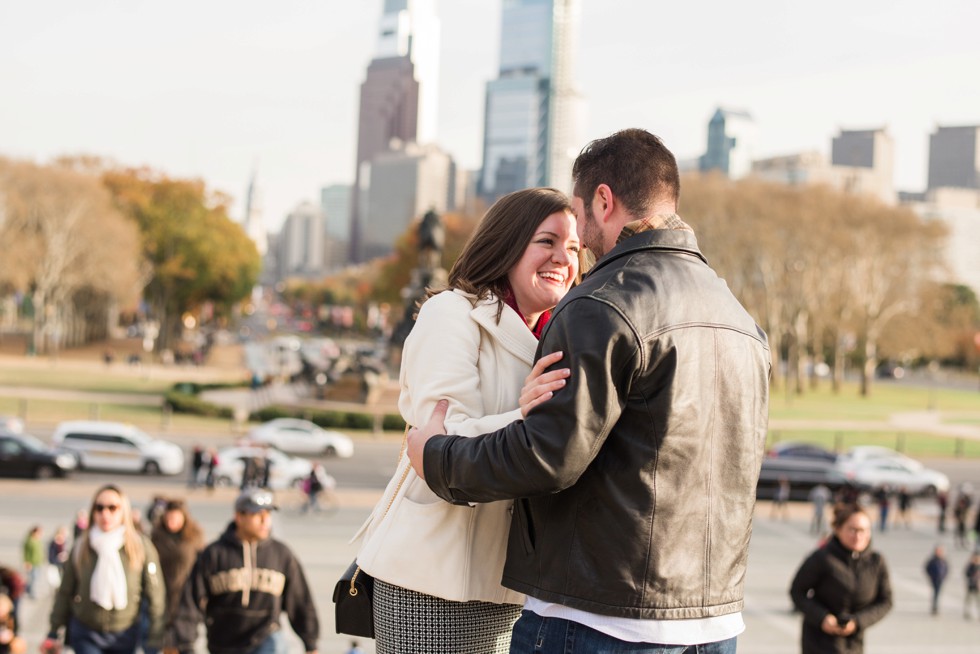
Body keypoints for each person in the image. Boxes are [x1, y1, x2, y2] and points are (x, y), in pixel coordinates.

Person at [406, 129, 772, 653]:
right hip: (714, 623)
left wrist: (437, 456)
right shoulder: (738, 317)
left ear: (603, 200)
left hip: (601, 620)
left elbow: (547, 456)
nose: (578, 247)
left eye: (578, 220)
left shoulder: (603, 304)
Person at [354, 186, 580, 653]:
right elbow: (443, 443)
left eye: (575, 248)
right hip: (430, 581)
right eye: (548, 241)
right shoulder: (453, 314)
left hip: (510, 588)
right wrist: (528, 415)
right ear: (508, 242)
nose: (563, 257)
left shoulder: (563, 337)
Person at [166, 488, 319, 654]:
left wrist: (311, 643)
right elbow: (190, 602)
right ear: (239, 517)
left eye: (268, 514)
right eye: (257, 514)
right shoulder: (215, 554)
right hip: (224, 643)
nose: (264, 520)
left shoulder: (281, 554)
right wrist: (183, 644)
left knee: (275, 643)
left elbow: (301, 601)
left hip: (266, 638)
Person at [43, 484, 166, 654]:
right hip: (86, 630)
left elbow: (155, 594)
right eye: (99, 508)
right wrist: (54, 629)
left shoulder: (140, 546)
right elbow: (65, 590)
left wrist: (155, 636)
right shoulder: (82, 546)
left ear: (123, 511)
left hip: (125, 631)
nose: (105, 514)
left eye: (112, 508)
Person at [790, 503, 893, 654]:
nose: (858, 536)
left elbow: (886, 601)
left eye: (864, 530)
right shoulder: (822, 558)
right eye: (852, 529)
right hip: (818, 642)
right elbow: (797, 591)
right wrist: (822, 617)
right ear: (838, 530)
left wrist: (858, 621)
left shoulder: (876, 562)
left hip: (854, 642)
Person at [149, 500, 204, 651]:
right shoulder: (157, 536)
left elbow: (203, 565)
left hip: (187, 596)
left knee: (187, 643)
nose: (171, 522)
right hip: (164, 595)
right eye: (169, 518)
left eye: (175, 518)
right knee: (168, 643)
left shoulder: (194, 538)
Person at [924, 544, 949, 615]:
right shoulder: (932, 560)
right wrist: (930, 576)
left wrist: (944, 576)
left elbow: (947, 569)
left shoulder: (943, 560)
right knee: (935, 593)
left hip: (940, 579)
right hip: (934, 579)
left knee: (937, 593)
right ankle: (934, 606)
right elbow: (927, 568)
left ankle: (935, 606)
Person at [21, 526, 43, 599]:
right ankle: (32, 593)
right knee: (33, 579)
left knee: (36, 578)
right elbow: (26, 552)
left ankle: (28, 589)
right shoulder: (29, 541)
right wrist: (26, 562)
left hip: (38, 562)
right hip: (32, 562)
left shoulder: (37, 540)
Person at [964, 552, 980, 619]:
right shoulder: (970, 566)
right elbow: (967, 574)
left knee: (978, 601)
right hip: (971, 586)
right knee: (968, 600)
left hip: (978, 587)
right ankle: (967, 613)